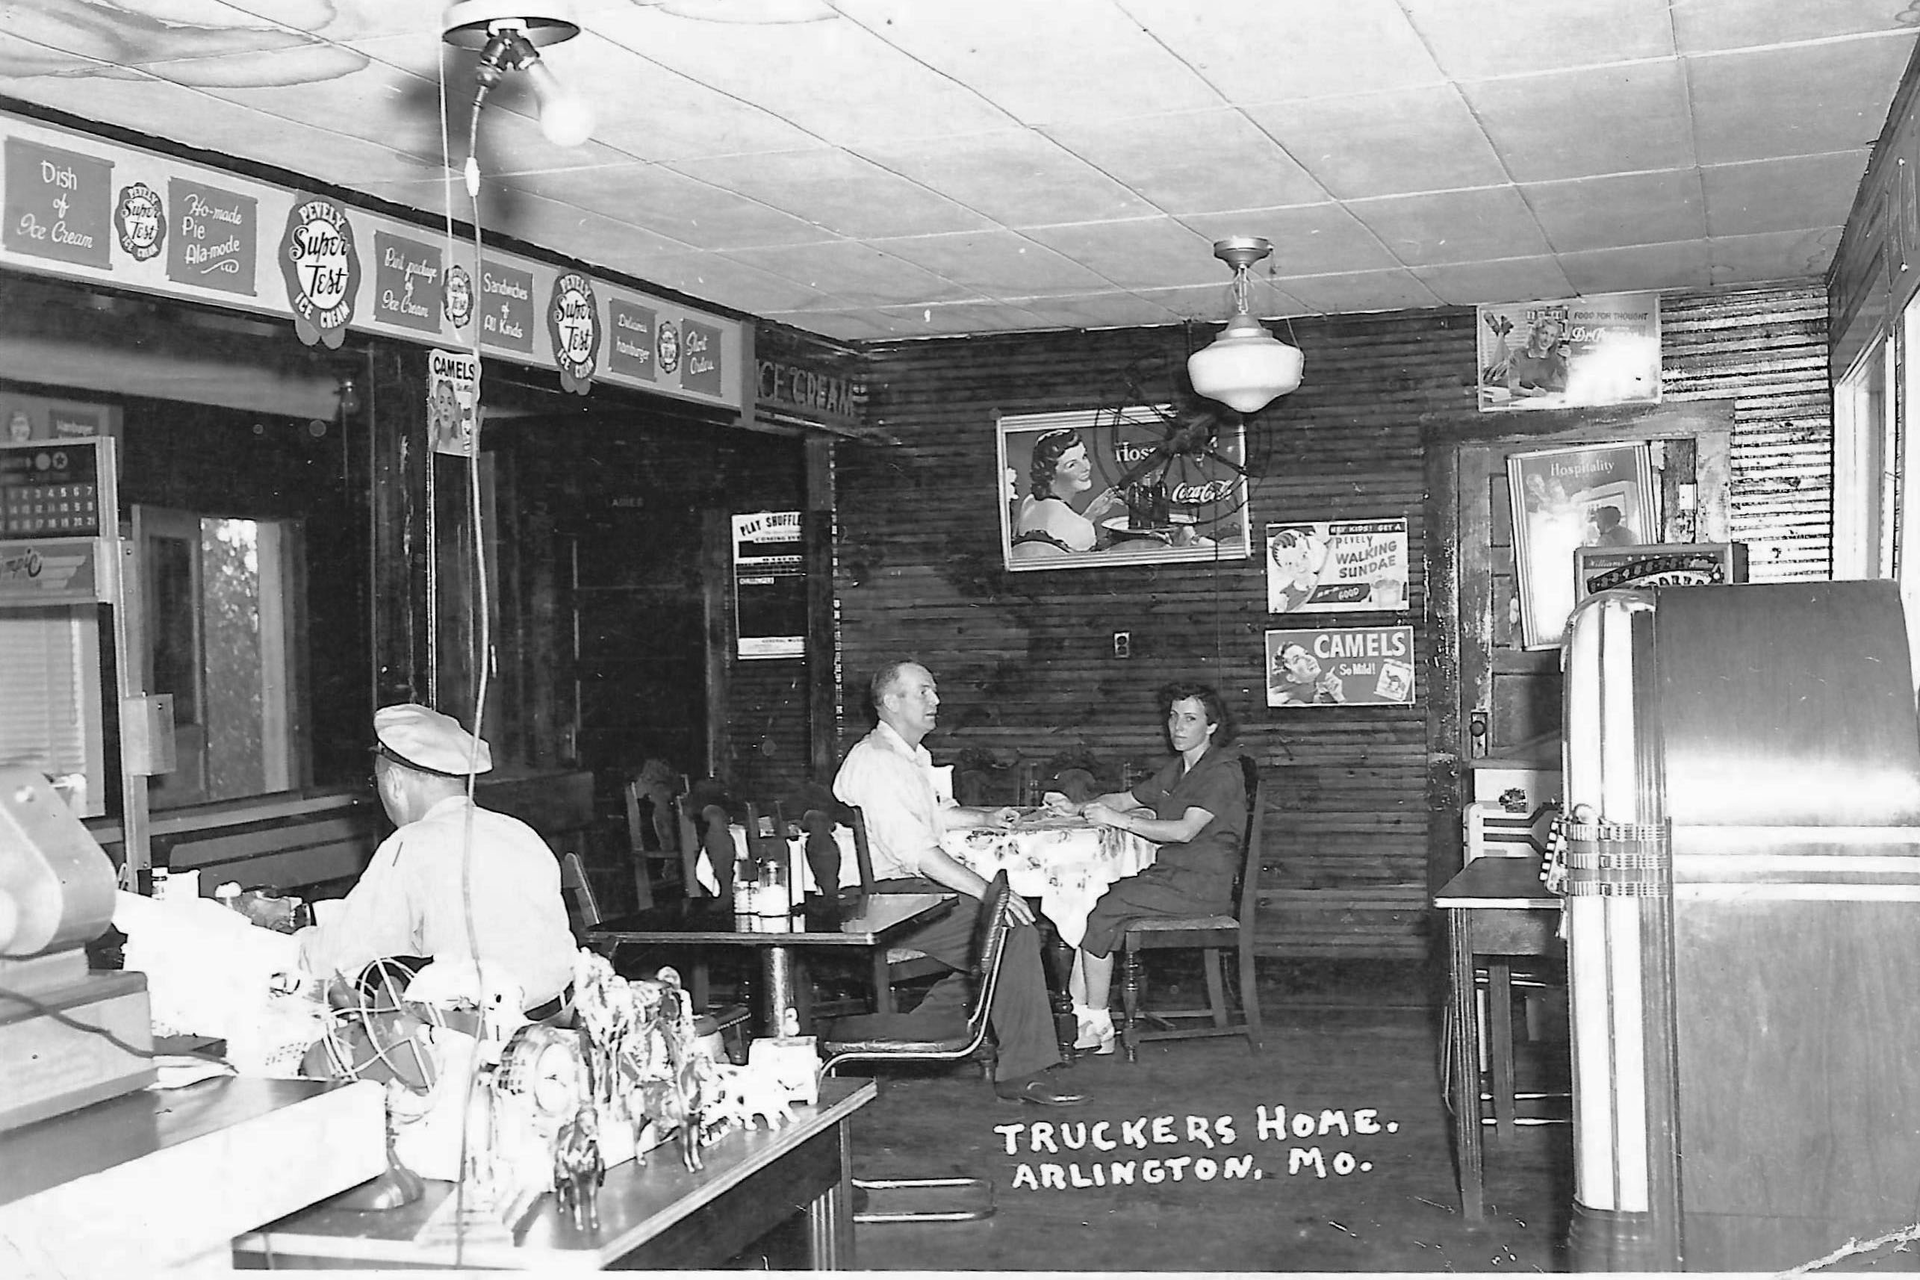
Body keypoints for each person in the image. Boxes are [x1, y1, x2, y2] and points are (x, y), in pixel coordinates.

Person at [833, 661, 1087, 1107]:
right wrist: (991, 895)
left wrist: (984, 818)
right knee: (1010, 929)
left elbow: (932, 818)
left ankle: (927, 1026)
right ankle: (1020, 1072)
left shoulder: (907, 756)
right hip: (880, 903)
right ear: (892, 702)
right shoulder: (877, 763)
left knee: (1006, 933)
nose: (937, 701)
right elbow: (919, 852)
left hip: (905, 893)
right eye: (925, 692)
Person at [292, 703, 577, 1019]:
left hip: (483, 1034)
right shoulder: (517, 830)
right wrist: (311, 915)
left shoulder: (413, 842)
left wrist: (292, 945)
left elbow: (344, 954)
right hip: (559, 1020)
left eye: (377, 784)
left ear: (395, 784)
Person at [1044, 682, 1248, 1055]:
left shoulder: (1221, 770)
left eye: (1190, 719)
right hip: (1173, 878)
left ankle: (1099, 1025)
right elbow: (1126, 799)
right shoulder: (1181, 768)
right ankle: (1082, 1018)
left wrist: (1120, 821)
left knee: (1104, 908)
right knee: (1095, 907)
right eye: (1173, 717)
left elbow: (1186, 831)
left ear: (1212, 726)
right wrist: (1077, 809)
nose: (1178, 727)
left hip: (1202, 886)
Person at [1009, 428, 1123, 559]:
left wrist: (1090, 515)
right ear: (1050, 474)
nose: (1086, 467)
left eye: (1084, 456)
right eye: (1072, 465)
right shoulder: (1081, 528)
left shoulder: (1030, 502)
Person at [1505, 315, 1569, 397]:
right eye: (1544, 333)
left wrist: (1568, 361)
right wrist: (1531, 393)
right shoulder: (1518, 355)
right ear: (1535, 333)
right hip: (1500, 372)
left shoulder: (1557, 358)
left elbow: (1569, 384)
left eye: (1552, 336)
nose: (1547, 340)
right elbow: (1513, 388)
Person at [1271, 641, 1346, 706]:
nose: (1309, 658)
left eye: (1306, 653)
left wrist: (1338, 697)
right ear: (1290, 677)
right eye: (1297, 659)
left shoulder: (1325, 693)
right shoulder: (1294, 704)